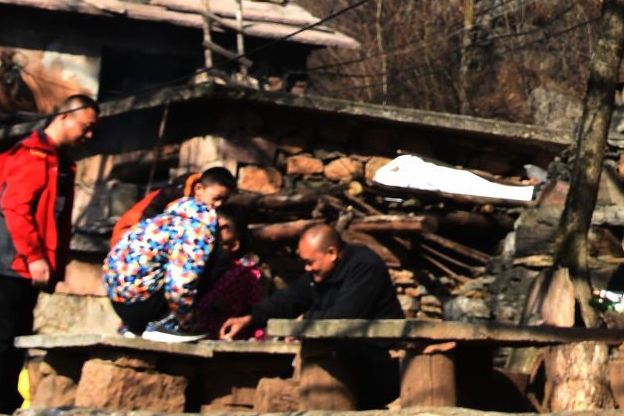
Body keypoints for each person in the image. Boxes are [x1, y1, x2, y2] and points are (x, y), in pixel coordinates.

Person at [0, 94, 98, 416]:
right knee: (0, 333)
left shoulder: (57, 161)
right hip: (11, 262)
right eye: (86, 126)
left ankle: (7, 401)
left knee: (18, 333)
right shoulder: (33, 156)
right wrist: (34, 256)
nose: (89, 135)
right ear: (65, 117)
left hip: (25, 266)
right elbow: (16, 208)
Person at [221, 224, 400, 402]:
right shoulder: (320, 274)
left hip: (375, 362)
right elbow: (289, 299)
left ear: (331, 253)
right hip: (343, 356)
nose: (307, 269)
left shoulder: (365, 267)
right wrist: (250, 317)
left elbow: (343, 317)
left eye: (309, 262)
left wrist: (305, 322)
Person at [100, 166, 234, 340]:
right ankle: (166, 325)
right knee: (217, 258)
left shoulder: (170, 214)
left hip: (117, 300)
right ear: (199, 189)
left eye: (224, 201)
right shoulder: (200, 222)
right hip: (143, 302)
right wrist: (188, 322)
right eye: (217, 198)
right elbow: (181, 283)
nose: (218, 206)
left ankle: (135, 328)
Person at [189, 213, 269, 338]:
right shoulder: (196, 267)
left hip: (226, 336)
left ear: (234, 245)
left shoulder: (246, 274)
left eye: (218, 244)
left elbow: (254, 308)